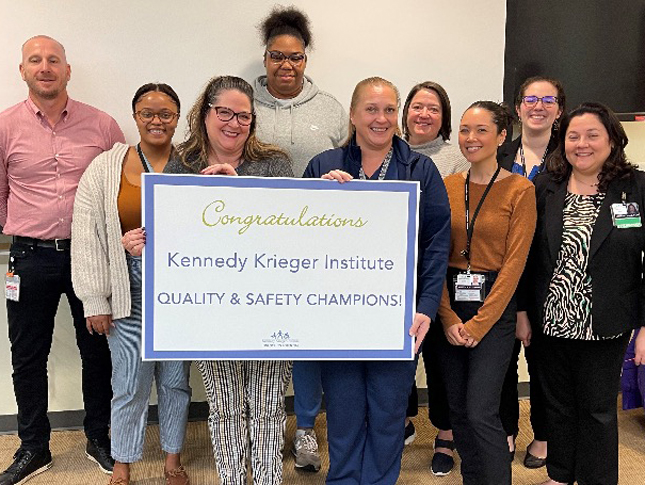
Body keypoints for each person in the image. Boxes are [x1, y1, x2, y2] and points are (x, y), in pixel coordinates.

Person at [303, 76, 451, 484]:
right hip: (339, 317)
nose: (380, 118)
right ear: (353, 115)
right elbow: (297, 238)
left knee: (388, 415)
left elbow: (438, 244)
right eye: (371, 109)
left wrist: (425, 308)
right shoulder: (322, 165)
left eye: (389, 109)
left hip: (398, 317)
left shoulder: (421, 169)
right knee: (345, 412)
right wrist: (317, 199)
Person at [0, 35, 124, 485]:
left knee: (99, 352)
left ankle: (99, 436)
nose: (45, 67)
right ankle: (34, 448)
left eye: (54, 60)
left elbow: (121, 186)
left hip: (89, 256)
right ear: (23, 70)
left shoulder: (102, 126)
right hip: (29, 257)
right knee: (27, 356)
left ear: (68, 70)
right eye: (36, 60)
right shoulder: (5, 126)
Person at [167, 75, 294, 485]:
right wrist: (140, 239)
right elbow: (172, 232)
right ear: (205, 113)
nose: (234, 123)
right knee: (223, 407)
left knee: (268, 404)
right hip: (211, 310)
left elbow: (292, 231)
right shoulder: (181, 165)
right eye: (225, 112)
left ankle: (268, 479)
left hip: (271, 306)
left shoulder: (274, 163)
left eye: (244, 116)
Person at [71, 83, 192, 485]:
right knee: (128, 382)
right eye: (147, 113)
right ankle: (122, 463)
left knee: (175, 381)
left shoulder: (191, 163)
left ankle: (172, 460)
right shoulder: (106, 168)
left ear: (177, 118)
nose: (156, 121)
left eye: (166, 114)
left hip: (180, 293)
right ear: (135, 115)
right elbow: (87, 235)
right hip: (129, 287)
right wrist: (95, 299)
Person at [525, 102, 645, 485]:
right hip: (552, 321)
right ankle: (561, 474)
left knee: (597, 411)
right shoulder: (545, 185)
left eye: (592, 135)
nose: (582, 144)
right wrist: (525, 312)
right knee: (557, 406)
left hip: (606, 323)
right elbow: (529, 256)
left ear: (611, 139)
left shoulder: (637, 187)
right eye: (573, 136)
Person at [253, 6, 348, 472]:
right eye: (277, 56)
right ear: (265, 58)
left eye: (296, 57)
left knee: (308, 343)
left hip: (316, 247)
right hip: (255, 245)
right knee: (265, 339)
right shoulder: (242, 104)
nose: (286, 65)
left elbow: (351, 170)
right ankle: (267, 427)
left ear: (305, 59)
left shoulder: (330, 107)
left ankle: (306, 428)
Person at [437, 101, 536, 485]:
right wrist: (447, 317)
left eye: (480, 130)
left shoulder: (519, 189)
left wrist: (479, 324)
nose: (470, 138)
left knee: (481, 410)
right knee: (459, 409)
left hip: (494, 305)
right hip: (450, 301)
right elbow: (435, 255)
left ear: (501, 136)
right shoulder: (447, 186)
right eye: (464, 129)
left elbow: (514, 266)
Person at [401, 80, 469, 475]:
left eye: (433, 108)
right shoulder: (387, 151)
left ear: (443, 118)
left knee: (443, 360)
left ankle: (445, 435)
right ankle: (404, 422)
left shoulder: (455, 159)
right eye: (417, 106)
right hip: (394, 275)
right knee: (398, 355)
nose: (424, 114)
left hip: (441, 272)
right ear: (405, 112)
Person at [497, 76, 565, 468]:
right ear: (519, 107)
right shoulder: (501, 154)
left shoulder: (572, 154)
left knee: (544, 365)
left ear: (559, 109)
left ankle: (543, 435)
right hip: (504, 273)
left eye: (547, 100)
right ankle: (506, 428)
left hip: (550, 279)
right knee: (501, 361)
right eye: (530, 99)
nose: (538, 106)